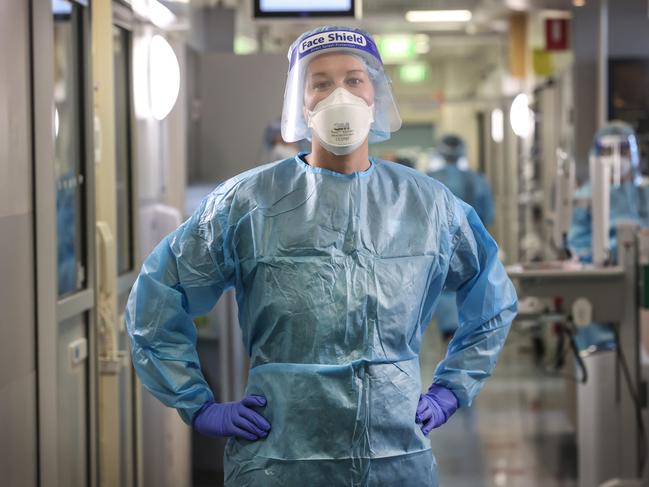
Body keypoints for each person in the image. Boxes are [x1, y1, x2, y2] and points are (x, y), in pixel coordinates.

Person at [126, 25, 517, 486]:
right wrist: (198, 404)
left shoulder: (428, 205)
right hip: (279, 459)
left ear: (375, 94)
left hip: (393, 457)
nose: (340, 95)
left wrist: (451, 389)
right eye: (321, 83)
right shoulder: (247, 203)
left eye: (354, 80)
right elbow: (158, 294)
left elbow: (491, 299)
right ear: (301, 103)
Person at [568, 121, 649, 351]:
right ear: (596, 154)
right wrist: (612, 251)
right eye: (608, 151)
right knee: (605, 358)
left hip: (643, 282)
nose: (616, 158)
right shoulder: (586, 195)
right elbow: (578, 244)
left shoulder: (644, 192)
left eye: (623, 150)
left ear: (634, 153)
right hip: (602, 283)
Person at [428, 134, 495, 340]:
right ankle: (469, 329)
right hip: (472, 242)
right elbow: (487, 217)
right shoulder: (477, 180)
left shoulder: (428, 179)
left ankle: (449, 328)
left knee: (443, 285)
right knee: (470, 283)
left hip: (437, 242)